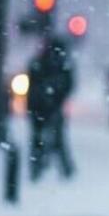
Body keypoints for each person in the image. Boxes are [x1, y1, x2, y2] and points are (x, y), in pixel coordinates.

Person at [27, 37, 75, 181]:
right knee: (56, 139)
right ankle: (64, 169)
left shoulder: (40, 62)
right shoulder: (61, 65)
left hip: (40, 107)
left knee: (40, 138)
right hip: (48, 107)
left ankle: (38, 168)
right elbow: (68, 85)